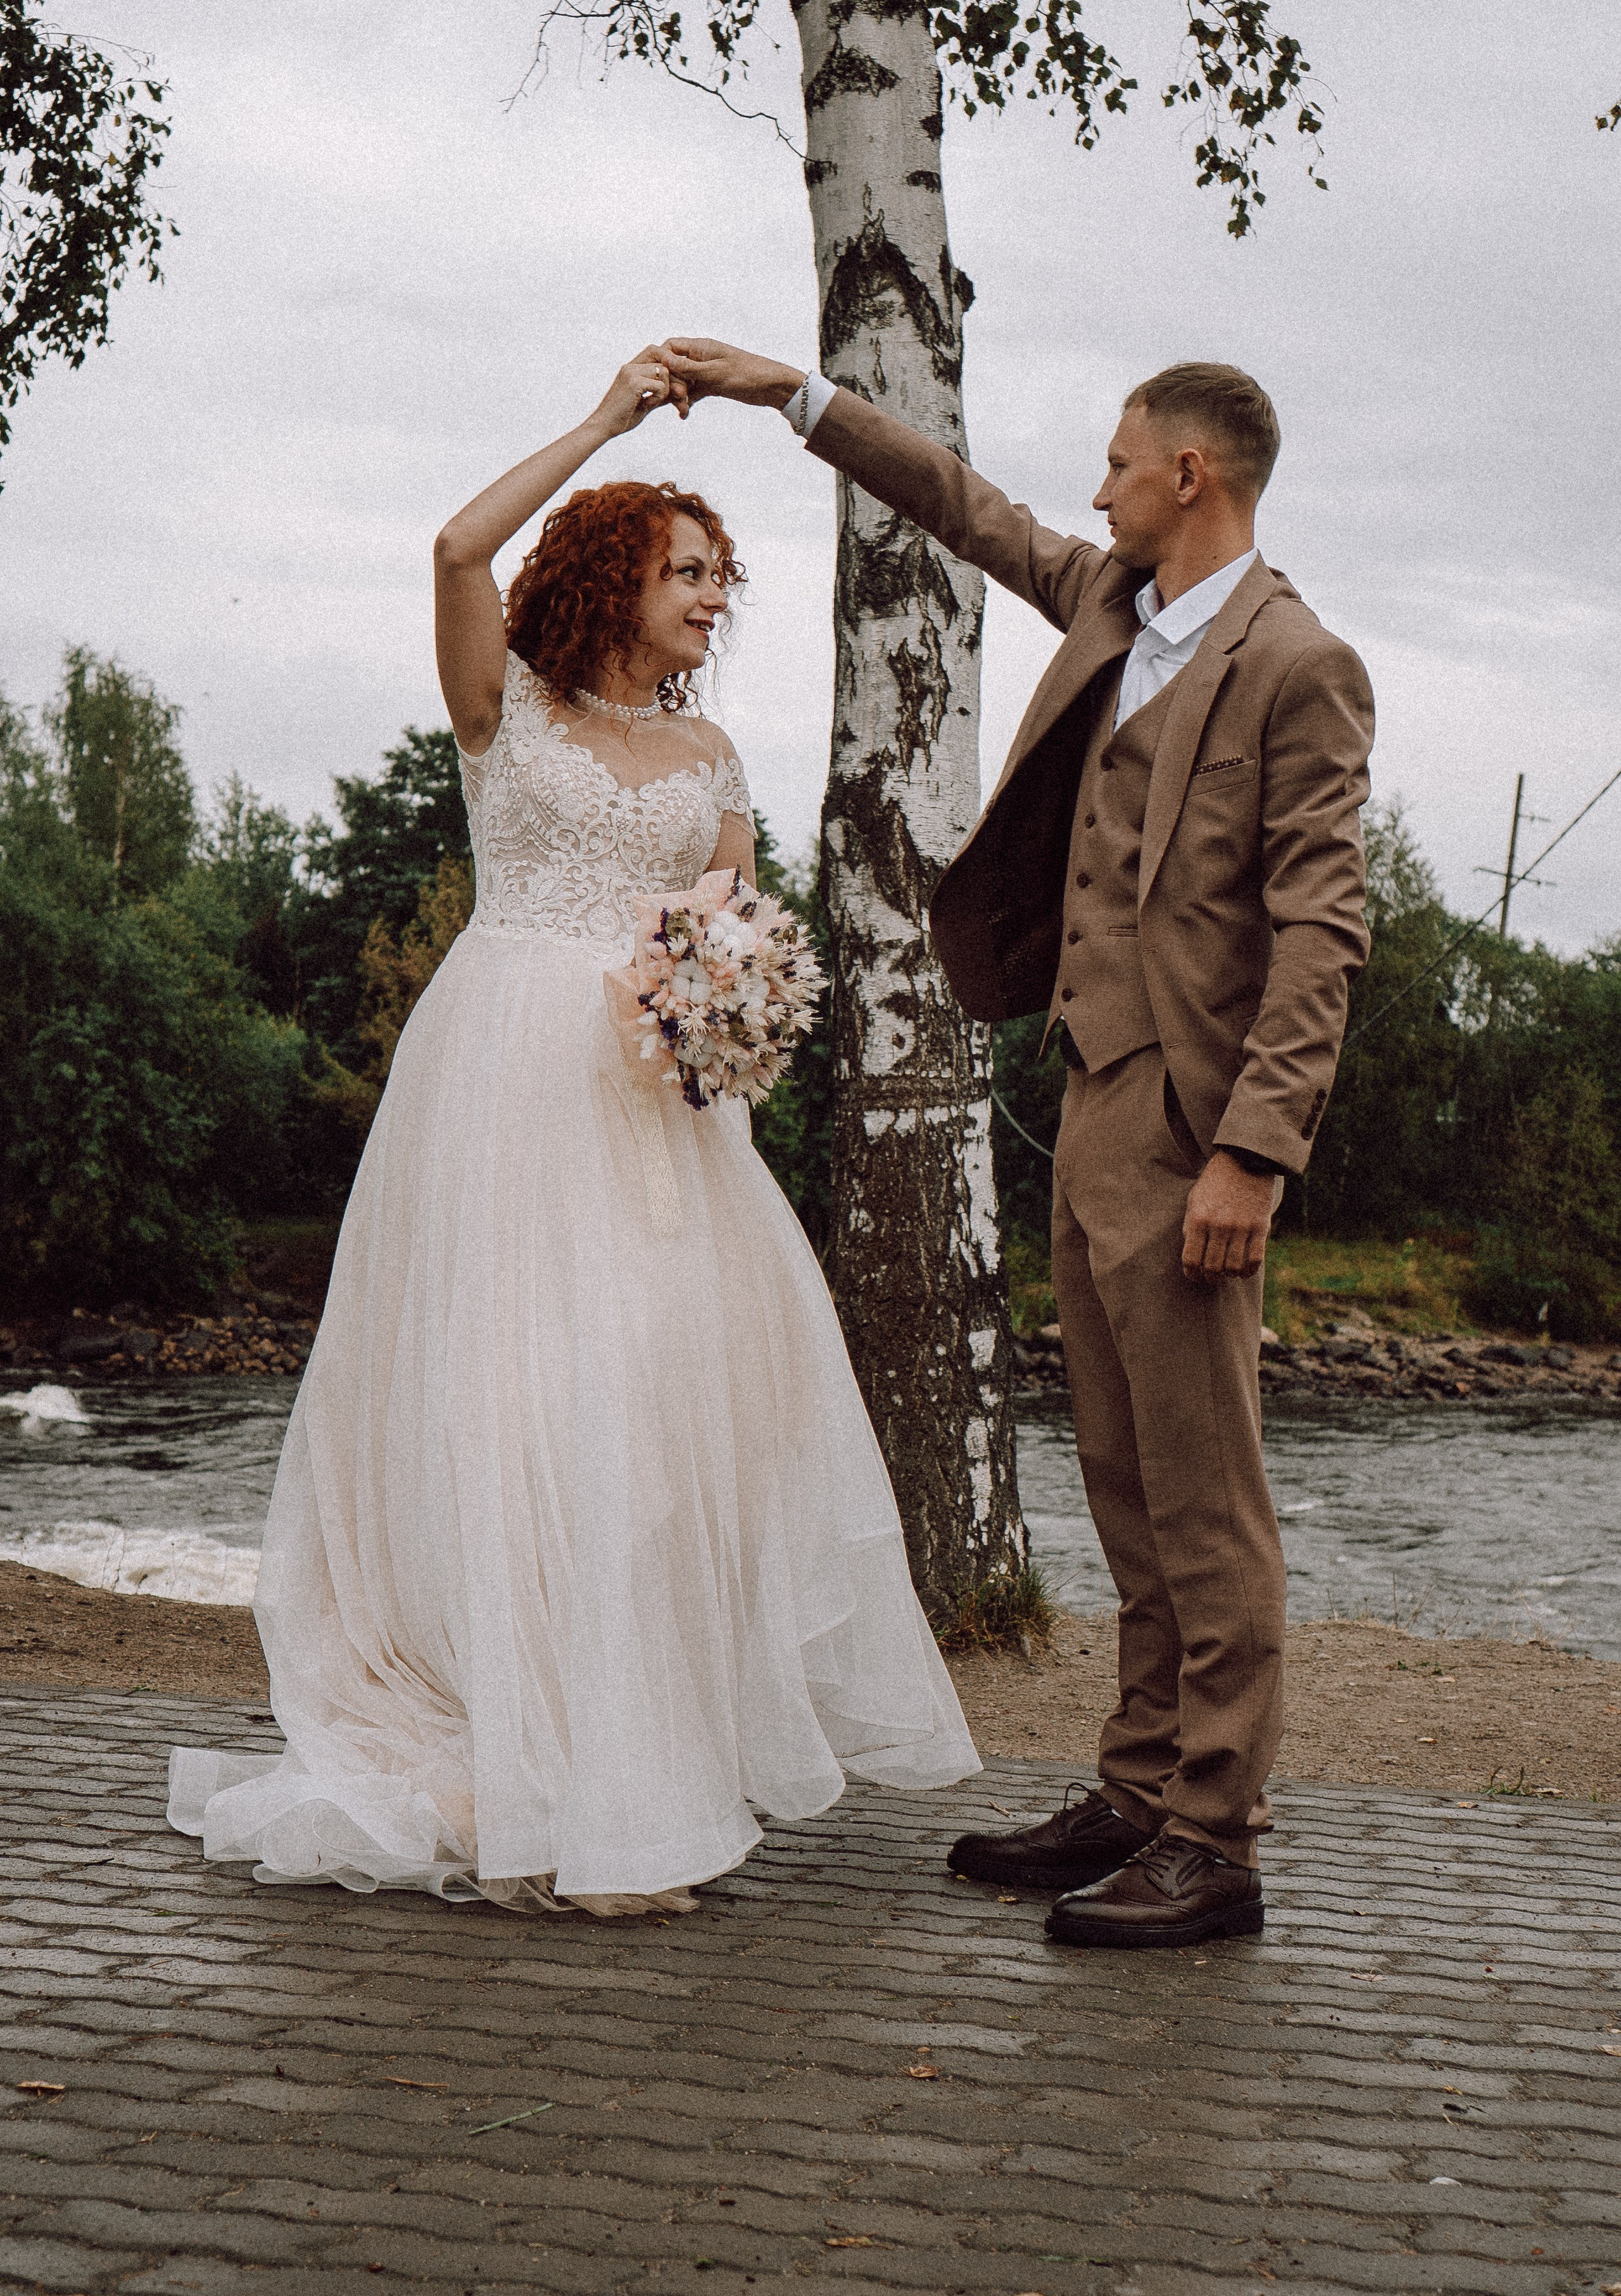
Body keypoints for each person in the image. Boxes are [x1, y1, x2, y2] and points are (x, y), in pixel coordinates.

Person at [168, 349, 979, 1916]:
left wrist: (733, 1003)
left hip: (655, 1109)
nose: (714, 600)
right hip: (501, 1088)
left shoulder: (711, 759)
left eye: (722, 578)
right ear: (614, 577)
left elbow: (733, 924)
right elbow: (456, 548)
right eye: (688, 572)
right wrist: (610, 421)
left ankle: (634, 1771)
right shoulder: (505, 711)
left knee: (658, 1427)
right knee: (522, 1413)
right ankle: (541, 1773)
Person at [657, 336, 1374, 1948]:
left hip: (1194, 1127)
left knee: (1206, 1497)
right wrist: (792, 396)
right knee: (1123, 1480)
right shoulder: (1114, 604)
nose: (1096, 491)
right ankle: (1136, 1791)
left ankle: (1213, 1840)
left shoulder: (1295, 663)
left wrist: (1253, 1154)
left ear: (1189, 473)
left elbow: (1321, 934)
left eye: (1119, 463)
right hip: (1090, 1094)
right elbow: (965, 509)